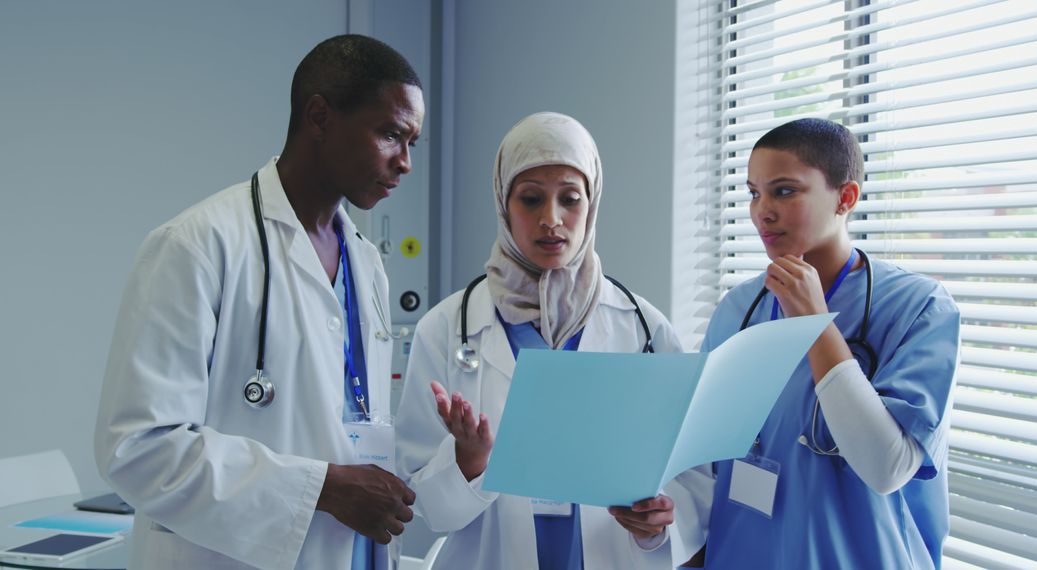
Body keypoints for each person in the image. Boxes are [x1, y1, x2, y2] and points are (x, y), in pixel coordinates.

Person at [94, 35, 424, 570]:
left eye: (413, 142)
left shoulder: (366, 261)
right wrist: (324, 488)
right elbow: (137, 450)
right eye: (391, 134)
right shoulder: (198, 245)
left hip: (352, 550)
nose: (405, 162)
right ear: (319, 116)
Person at [395, 112, 713, 570]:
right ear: (504, 206)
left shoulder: (644, 328)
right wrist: (470, 463)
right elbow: (422, 500)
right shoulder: (446, 329)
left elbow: (690, 479)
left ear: (593, 203)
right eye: (530, 199)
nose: (552, 219)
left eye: (570, 199)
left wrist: (658, 523)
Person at [693, 118, 960, 568]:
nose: (762, 211)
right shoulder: (739, 308)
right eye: (754, 193)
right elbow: (702, 461)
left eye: (784, 191)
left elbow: (886, 467)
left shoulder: (919, 307)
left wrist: (815, 322)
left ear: (846, 197)